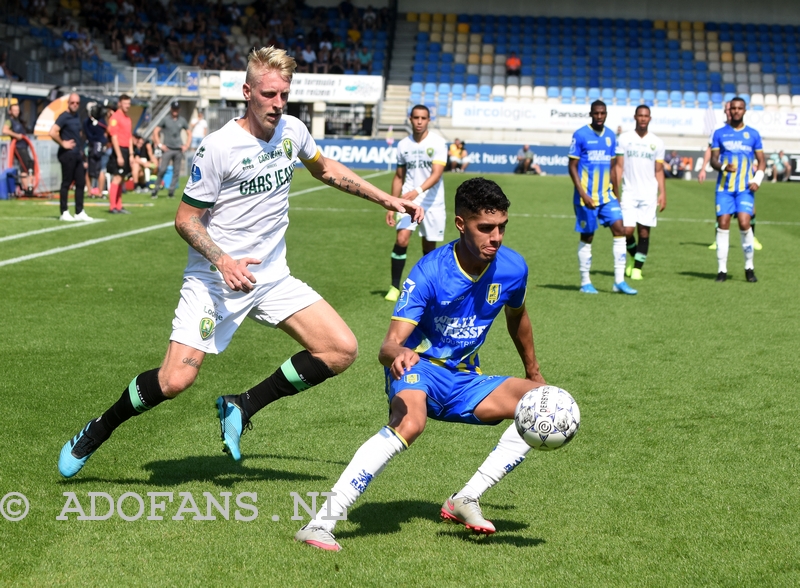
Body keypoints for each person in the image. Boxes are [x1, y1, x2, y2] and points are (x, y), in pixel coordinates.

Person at [57, 46, 423, 479]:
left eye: (285, 94)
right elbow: (186, 219)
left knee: (340, 349)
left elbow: (324, 169)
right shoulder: (219, 147)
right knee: (175, 381)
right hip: (215, 280)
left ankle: (242, 405)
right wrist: (222, 259)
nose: (278, 103)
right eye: (270, 94)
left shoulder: (292, 130)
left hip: (271, 276)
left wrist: (387, 198)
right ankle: (97, 430)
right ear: (247, 92)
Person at [295, 177, 547, 551]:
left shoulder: (512, 268)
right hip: (419, 369)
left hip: (464, 379)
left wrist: (534, 374)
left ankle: (466, 498)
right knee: (411, 423)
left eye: (501, 228)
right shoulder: (429, 272)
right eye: (485, 228)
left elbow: (517, 317)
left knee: (543, 404)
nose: (496, 237)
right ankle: (320, 523)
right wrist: (398, 355)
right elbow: (387, 346)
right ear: (461, 224)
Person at [568, 100, 636, 295]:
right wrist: (582, 193)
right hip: (586, 198)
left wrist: (616, 192)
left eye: (602, 113)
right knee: (588, 237)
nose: (599, 116)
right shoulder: (580, 134)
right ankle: (585, 282)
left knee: (620, 230)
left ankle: (619, 281)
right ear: (591, 114)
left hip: (607, 196)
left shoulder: (610, 136)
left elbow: (614, 167)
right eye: (596, 113)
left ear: (606, 114)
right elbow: (572, 166)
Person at [384, 105, 447, 303]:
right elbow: (399, 176)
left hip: (432, 202)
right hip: (408, 201)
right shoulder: (403, 145)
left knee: (429, 246)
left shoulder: (437, 142)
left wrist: (417, 191)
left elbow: (436, 174)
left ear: (429, 120)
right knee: (402, 239)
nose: (419, 121)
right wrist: (391, 205)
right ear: (410, 119)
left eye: (424, 118)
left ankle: (428, 288)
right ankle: (395, 287)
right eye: (416, 117)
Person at [709, 96, 766, 283]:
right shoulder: (719, 133)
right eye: (733, 108)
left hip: (744, 188)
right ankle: (721, 270)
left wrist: (757, 178)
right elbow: (713, 160)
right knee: (723, 223)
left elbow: (762, 161)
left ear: (744, 111)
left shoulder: (754, 134)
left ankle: (749, 268)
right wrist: (724, 167)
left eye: (739, 108)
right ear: (729, 110)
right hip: (724, 188)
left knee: (744, 222)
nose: (736, 111)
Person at [614, 105, 666, 281]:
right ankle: (634, 256)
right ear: (635, 117)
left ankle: (637, 268)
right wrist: (616, 189)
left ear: (650, 118)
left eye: (646, 116)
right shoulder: (624, 138)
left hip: (649, 194)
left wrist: (662, 193)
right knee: (626, 230)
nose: (643, 119)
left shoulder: (657, 142)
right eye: (640, 116)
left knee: (644, 232)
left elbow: (659, 170)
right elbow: (619, 166)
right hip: (629, 191)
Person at [49, 93, 93, 222]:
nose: (75, 105)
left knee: (81, 182)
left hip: (77, 154)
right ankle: (64, 211)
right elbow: (52, 132)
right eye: (73, 102)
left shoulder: (76, 116)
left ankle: (79, 211)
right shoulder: (64, 117)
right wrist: (63, 143)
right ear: (68, 103)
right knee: (66, 183)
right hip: (67, 155)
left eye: (77, 103)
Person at [151, 100, 190, 199]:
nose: (175, 111)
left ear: (179, 109)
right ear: (171, 109)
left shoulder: (182, 120)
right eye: (173, 109)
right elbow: (156, 131)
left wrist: (186, 145)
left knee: (176, 172)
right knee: (162, 169)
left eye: (177, 109)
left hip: (178, 149)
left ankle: (171, 192)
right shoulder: (166, 120)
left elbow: (189, 133)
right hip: (167, 149)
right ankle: (155, 190)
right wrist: (160, 144)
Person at [106, 94, 134, 213]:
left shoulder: (128, 118)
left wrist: (131, 154)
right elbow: (114, 137)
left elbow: (130, 137)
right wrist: (119, 155)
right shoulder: (115, 118)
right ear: (120, 104)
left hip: (127, 150)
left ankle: (119, 205)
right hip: (119, 150)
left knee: (122, 178)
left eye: (129, 103)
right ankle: (113, 206)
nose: (127, 105)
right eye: (125, 103)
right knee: (117, 177)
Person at [3, 102, 35, 196]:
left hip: (24, 146)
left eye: (18, 110)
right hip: (18, 147)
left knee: (29, 165)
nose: (17, 112)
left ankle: (30, 187)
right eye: (14, 110)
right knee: (25, 167)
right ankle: (27, 189)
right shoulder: (9, 121)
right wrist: (16, 136)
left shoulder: (19, 121)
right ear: (10, 111)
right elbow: (5, 130)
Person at [83, 101, 108, 198]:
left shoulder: (99, 121)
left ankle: (95, 191)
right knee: (96, 170)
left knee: (97, 169)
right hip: (96, 146)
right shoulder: (92, 121)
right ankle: (94, 191)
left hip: (94, 146)